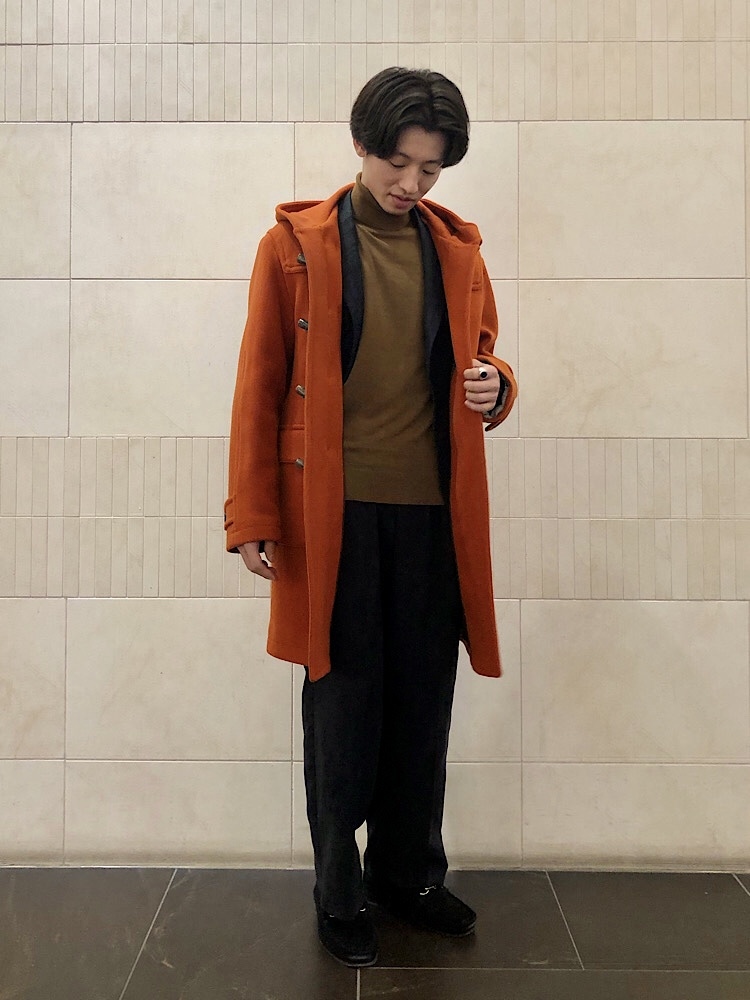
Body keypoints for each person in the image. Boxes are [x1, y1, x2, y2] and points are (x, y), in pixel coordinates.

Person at [225, 66, 517, 967]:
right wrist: (253, 514)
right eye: (399, 162)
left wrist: (496, 386)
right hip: (334, 517)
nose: (412, 183)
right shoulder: (295, 247)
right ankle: (339, 888)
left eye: (431, 169)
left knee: (423, 705)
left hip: (433, 515)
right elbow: (260, 386)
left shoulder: (457, 250)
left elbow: (485, 358)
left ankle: (407, 876)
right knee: (344, 706)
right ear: (362, 144)